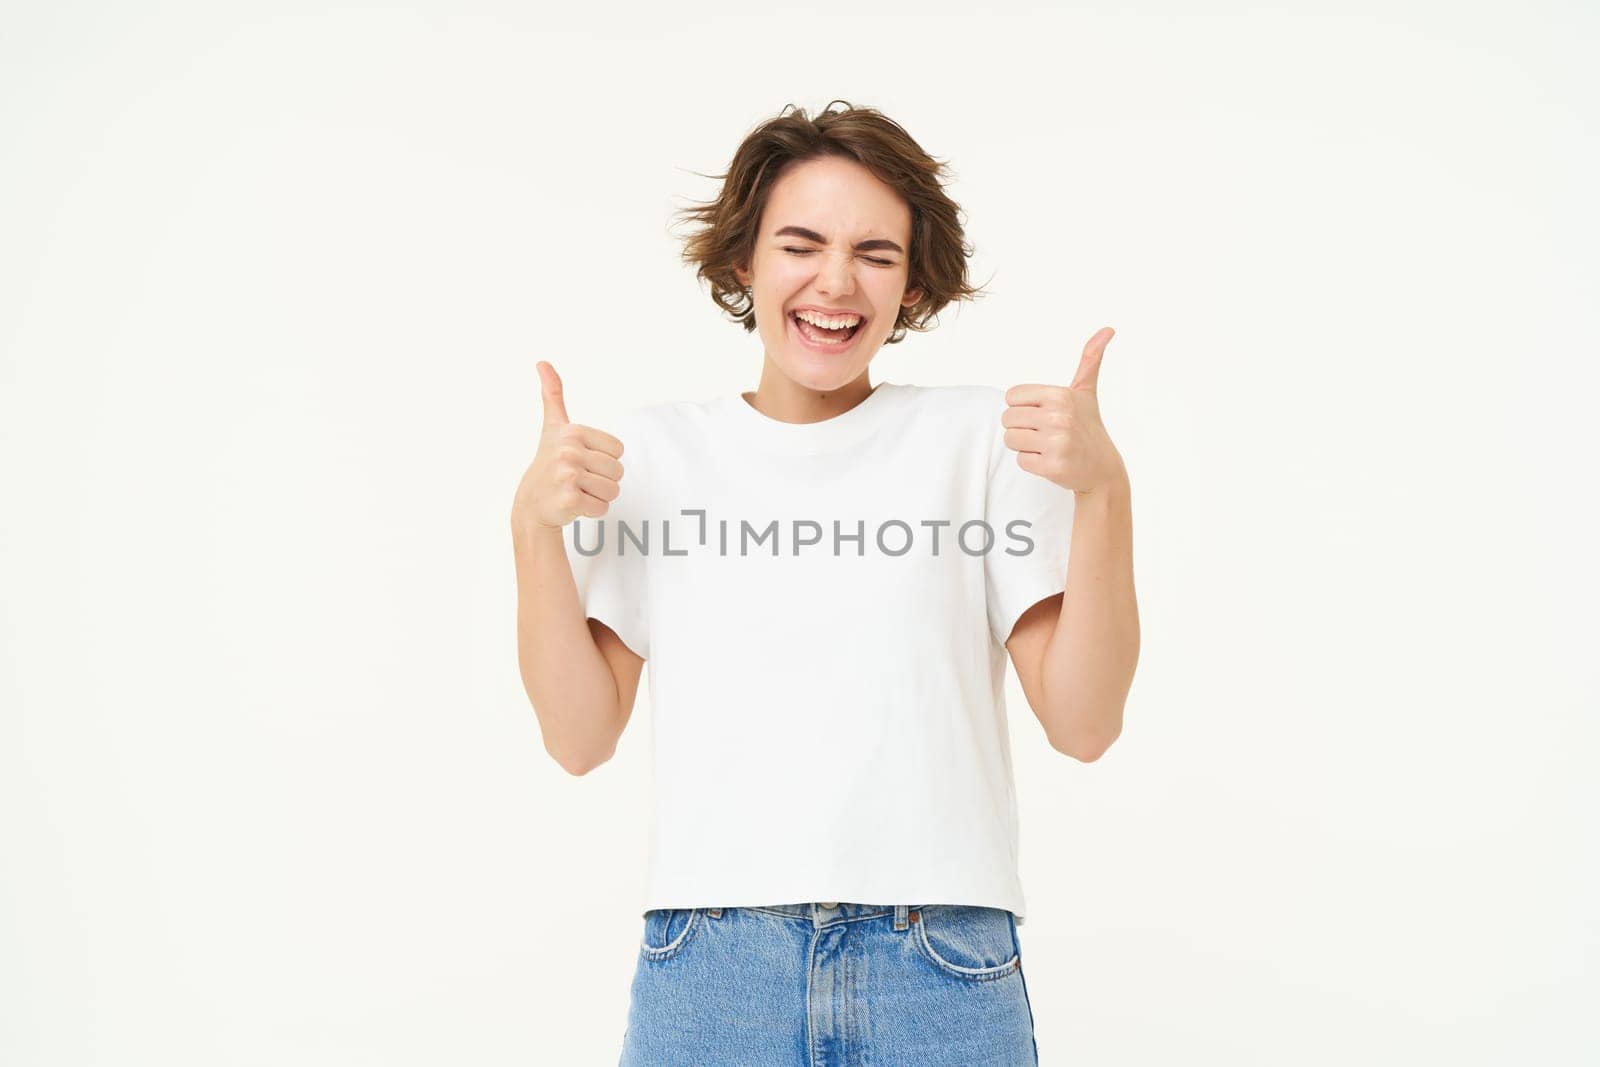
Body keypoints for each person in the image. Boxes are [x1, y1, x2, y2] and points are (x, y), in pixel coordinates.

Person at [509, 100, 1139, 1065]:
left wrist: (1103, 492)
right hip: (713, 967)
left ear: (913, 283)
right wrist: (532, 530)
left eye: (877, 253)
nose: (836, 283)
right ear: (741, 263)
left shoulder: (983, 442)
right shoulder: (653, 454)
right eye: (799, 244)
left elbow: (1085, 723)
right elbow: (578, 736)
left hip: (939, 964)